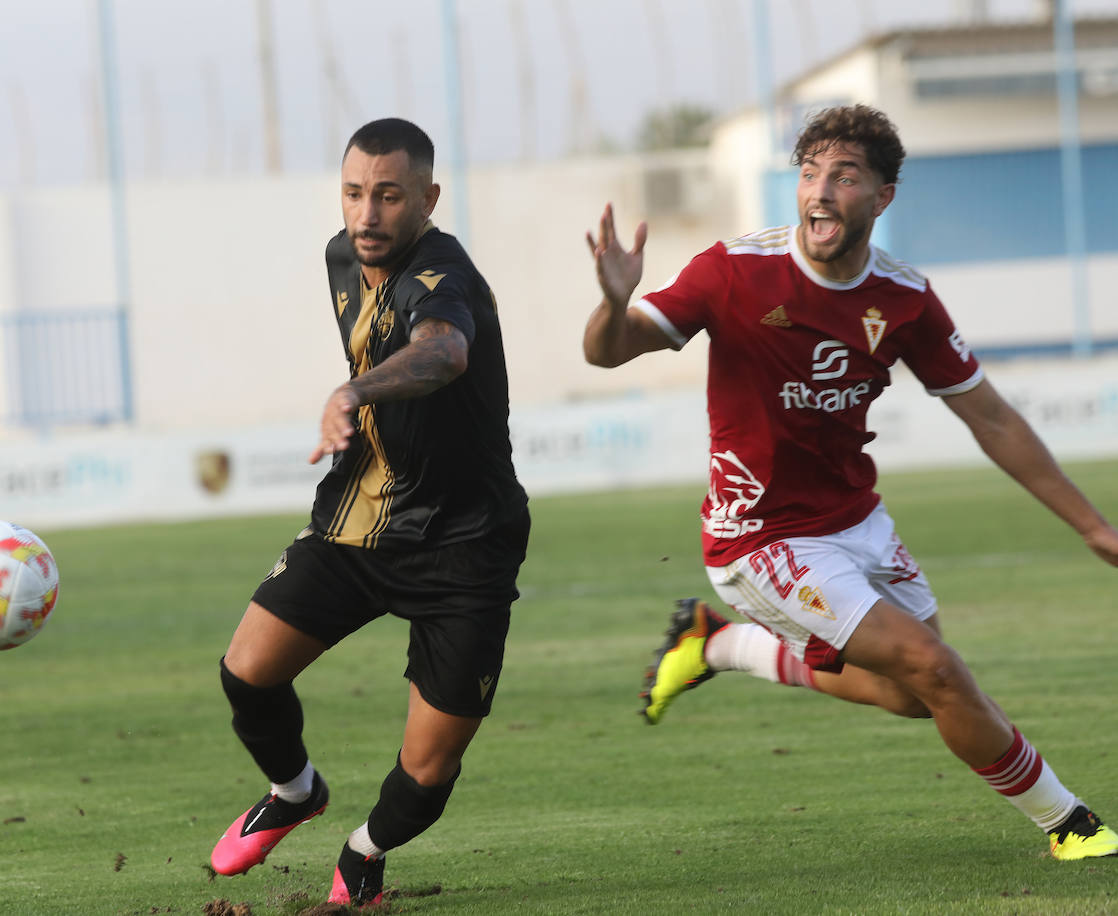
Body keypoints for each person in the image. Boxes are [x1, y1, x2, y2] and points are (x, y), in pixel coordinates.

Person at [582, 104, 1118, 861]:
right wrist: (611, 302)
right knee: (938, 669)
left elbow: (991, 418)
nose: (820, 192)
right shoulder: (735, 271)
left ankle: (718, 646)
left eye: (844, 176)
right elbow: (609, 352)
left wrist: (1092, 525)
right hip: (759, 535)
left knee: (911, 694)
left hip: (855, 521)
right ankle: (1072, 826)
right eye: (808, 174)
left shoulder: (904, 299)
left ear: (882, 196)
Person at [210, 117, 530, 906]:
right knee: (247, 673)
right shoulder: (341, 257)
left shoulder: (442, 276)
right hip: (361, 519)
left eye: (388, 196)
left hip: (467, 546)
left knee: (427, 770)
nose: (367, 215)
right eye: (354, 193)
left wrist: (354, 390)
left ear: (428, 197)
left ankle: (364, 851)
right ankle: (294, 792)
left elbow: (444, 352)